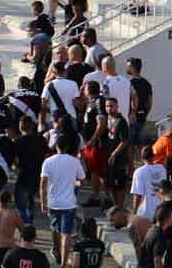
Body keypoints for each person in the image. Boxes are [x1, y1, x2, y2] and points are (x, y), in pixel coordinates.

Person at [41, 134, 86, 266]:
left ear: (56, 146)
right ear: (67, 147)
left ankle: (57, 251)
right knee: (66, 233)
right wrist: (74, 183)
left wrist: (43, 202)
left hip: (53, 203)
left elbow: (43, 184)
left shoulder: (48, 162)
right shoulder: (74, 161)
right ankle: (63, 263)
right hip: (69, 204)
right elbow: (83, 181)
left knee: (55, 228)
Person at [15, 116, 47, 224]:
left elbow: (16, 159)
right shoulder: (41, 139)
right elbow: (47, 155)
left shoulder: (19, 140)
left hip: (23, 173)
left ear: (21, 126)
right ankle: (30, 218)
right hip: (38, 173)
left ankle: (27, 221)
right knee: (30, 197)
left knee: (20, 200)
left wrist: (15, 167)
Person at [81, 80, 109, 208]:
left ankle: (103, 197)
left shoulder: (98, 102)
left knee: (99, 171)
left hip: (97, 143)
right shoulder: (91, 102)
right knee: (94, 170)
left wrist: (93, 140)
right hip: (91, 143)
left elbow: (102, 123)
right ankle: (98, 195)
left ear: (89, 89)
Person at [105, 97, 131, 209]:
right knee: (112, 185)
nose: (109, 108)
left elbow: (125, 141)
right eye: (107, 106)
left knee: (119, 186)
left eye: (112, 106)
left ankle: (120, 208)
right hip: (110, 159)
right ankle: (116, 208)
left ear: (117, 106)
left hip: (119, 159)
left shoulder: (121, 121)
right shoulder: (109, 119)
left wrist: (114, 154)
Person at [130, 145, 167, 221]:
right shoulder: (162, 169)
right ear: (153, 156)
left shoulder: (139, 172)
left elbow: (138, 195)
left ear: (141, 157)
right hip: (160, 212)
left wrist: (134, 212)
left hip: (145, 214)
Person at [41, 62, 79, 127]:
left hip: (55, 119)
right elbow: (76, 103)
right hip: (71, 116)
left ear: (54, 72)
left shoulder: (48, 85)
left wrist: (42, 122)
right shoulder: (73, 84)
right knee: (72, 136)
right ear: (65, 70)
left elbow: (43, 105)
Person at [22, 20, 51, 93]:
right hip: (46, 69)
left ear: (35, 29)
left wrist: (28, 57)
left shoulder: (37, 38)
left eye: (29, 30)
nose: (28, 33)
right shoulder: (46, 36)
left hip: (39, 71)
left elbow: (35, 59)